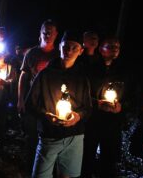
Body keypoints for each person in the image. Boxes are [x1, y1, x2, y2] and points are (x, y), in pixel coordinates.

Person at [26, 30, 92, 178]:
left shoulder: (82, 78)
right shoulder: (45, 74)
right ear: (59, 47)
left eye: (74, 47)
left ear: (81, 51)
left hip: (74, 137)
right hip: (49, 135)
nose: (69, 51)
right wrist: (46, 115)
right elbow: (30, 103)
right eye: (66, 46)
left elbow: (88, 108)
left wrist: (77, 116)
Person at [82, 35, 138, 177]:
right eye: (110, 46)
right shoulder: (91, 69)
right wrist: (96, 104)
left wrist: (121, 107)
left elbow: (132, 96)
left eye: (117, 47)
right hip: (92, 121)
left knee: (108, 162)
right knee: (86, 158)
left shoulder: (124, 72)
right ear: (101, 49)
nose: (115, 49)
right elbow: (81, 93)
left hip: (112, 123)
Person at [17, 19, 59, 173]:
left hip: (52, 104)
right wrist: (20, 99)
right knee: (32, 138)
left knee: (49, 139)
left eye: (51, 32)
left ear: (56, 34)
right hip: (33, 103)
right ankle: (30, 169)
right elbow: (23, 76)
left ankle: (46, 170)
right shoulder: (32, 53)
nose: (47, 35)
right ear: (40, 33)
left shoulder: (58, 55)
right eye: (45, 32)